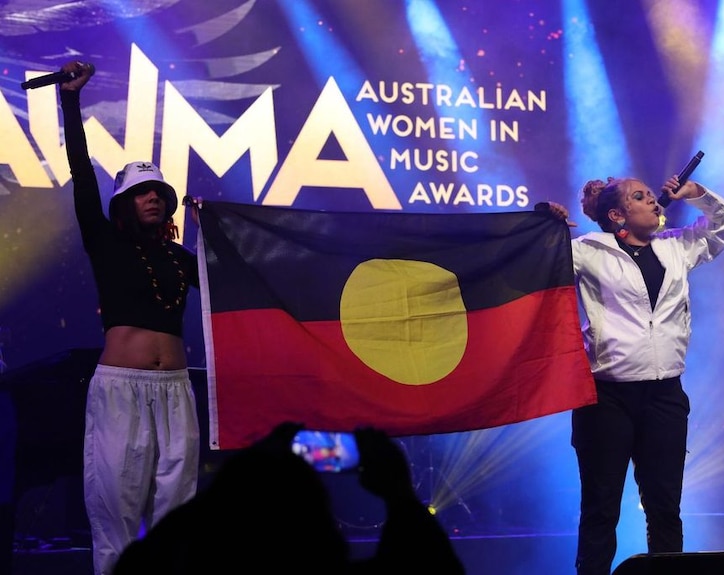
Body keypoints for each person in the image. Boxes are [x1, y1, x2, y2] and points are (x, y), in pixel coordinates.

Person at [542, 173, 724, 575]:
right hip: (606, 399)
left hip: (664, 397)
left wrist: (697, 194)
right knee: (601, 509)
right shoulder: (588, 251)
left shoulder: (677, 247)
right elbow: (537, 257)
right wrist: (544, 223)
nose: (653, 201)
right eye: (640, 197)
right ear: (617, 214)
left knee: (665, 507)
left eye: (652, 196)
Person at [58, 60, 201, 575]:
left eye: (160, 194)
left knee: (177, 517)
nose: (153, 200)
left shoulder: (183, 259)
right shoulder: (108, 244)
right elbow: (79, 171)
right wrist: (70, 101)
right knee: (115, 515)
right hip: (121, 390)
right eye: (143, 192)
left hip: (177, 391)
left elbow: (236, 285)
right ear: (124, 202)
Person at [113, 422, 466, 575]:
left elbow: (144, 562)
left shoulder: (185, 555)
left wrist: (248, 468)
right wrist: (399, 494)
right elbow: (433, 568)